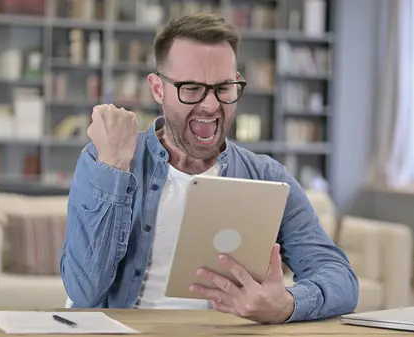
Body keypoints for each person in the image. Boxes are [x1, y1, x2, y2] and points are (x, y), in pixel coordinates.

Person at [60, 13, 359, 324]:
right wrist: (114, 168)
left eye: (224, 88)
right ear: (158, 89)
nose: (211, 105)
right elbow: (84, 292)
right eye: (192, 88)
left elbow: (341, 279)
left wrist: (287, 303)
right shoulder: (107, 158)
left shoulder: (266, 176)